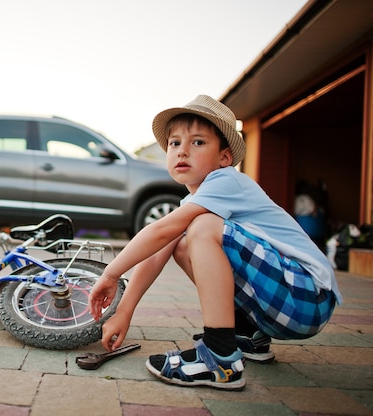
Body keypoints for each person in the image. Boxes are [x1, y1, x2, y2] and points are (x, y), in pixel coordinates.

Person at [88, 95, 342, 391]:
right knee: (182, 240)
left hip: (308, 296)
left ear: (224, 157)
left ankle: (221, 357)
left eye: (197, 142)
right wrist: (125, 311)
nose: (183, 150)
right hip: (284, 305)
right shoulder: (195, 201)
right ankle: (246, 335)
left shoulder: (227, 181)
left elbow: (159, 230)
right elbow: (158, 250)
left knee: (201, 228)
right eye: (175, 143)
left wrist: (110, 273)